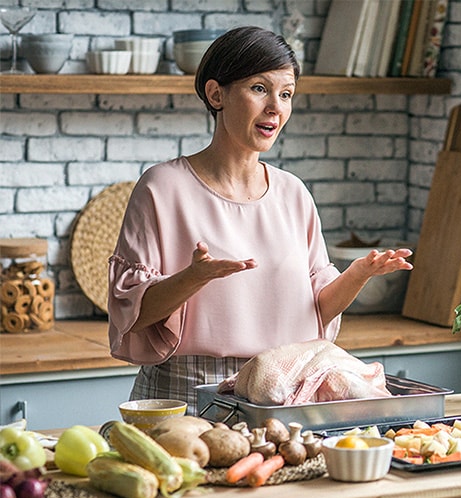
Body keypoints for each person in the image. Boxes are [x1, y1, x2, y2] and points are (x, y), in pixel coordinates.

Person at [107, 26, 413, 415]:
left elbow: (316, 309)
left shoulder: (293, 193)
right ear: (216, 94)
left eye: (286, 94)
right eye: (259, 89)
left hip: (283, 392)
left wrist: (357, 275)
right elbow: (132, 312)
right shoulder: (162, 188)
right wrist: (194, 277)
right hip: (186, 396)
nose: (276, 107)